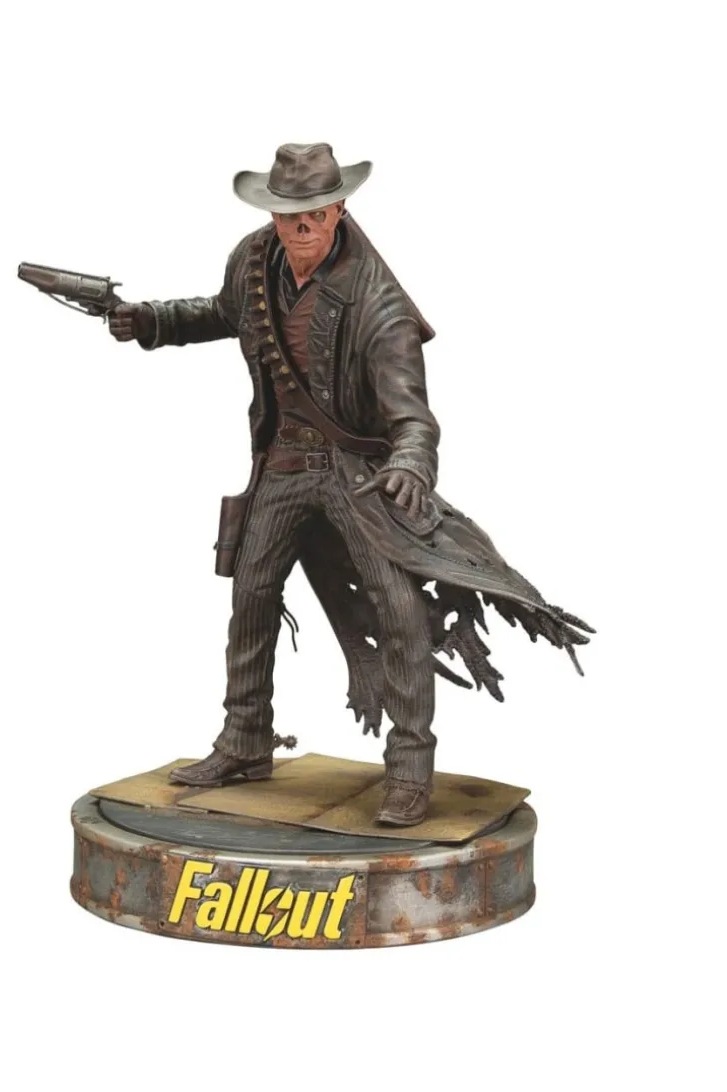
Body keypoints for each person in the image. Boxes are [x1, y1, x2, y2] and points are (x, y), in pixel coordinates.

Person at [108, 143, 591, 827]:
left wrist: (409, 466)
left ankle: (410, 767)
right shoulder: (253, 261)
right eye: (288, 212)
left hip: (356, 476)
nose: (301, 224)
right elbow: (223, 312)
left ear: (338, 208)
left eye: (314, 211)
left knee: (398, 609)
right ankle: (244, 741)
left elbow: (412, 418)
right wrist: (154, 321)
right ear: (272, 213)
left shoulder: (379, 301)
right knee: (251, 595)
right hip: (281, 464)